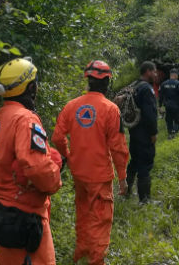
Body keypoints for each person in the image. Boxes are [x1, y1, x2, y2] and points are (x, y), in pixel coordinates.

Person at [0, 57, 62, 265]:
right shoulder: (25, 119)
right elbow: (36, 166)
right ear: (32, 87)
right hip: (26, 215)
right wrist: (55, 177)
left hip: (5, 214)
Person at [52, 60, 129, 265]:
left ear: (88, 80)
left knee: (84, 215)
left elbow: (58, 137)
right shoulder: (111, 110)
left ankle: (81, 254)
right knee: (100, 221)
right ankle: (95, 261)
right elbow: (118, 148)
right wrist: (123, 178)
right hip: (100, 176)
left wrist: (67, 156)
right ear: (107, 82)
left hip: (79, 174)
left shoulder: (71, 106)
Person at [125, 61, 158, 203]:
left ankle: (126, 191)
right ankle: (145, 200)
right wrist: (153, 132)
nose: (155, 74)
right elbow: (149, 113)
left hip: (133, 131)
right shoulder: (146, 89)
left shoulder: (134, 85)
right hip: (144, 133)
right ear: (148, 71)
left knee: (135, 161)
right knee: (145, 162)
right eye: (154, 71)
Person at [158, 68, 179, 139]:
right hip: (176, 105)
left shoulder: (164, 84)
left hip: (167, 106)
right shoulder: (178, 83)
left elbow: (160, 96)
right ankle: (174, 132)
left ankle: (170, 134)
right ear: (176, 75)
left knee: (169, 120)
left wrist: (160, 106)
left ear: (170, 75)